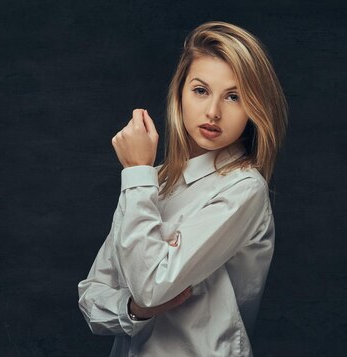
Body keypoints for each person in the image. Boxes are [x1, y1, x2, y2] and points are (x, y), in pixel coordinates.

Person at [77, 21, 288, 356]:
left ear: (253, 108)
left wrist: (136, 173)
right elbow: (92, 300)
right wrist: (135, 310)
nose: (213, 112)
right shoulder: (151, 181)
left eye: (234, 96)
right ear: (180, 93)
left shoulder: (243, 189)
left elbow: (150, 288)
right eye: (201, 90)